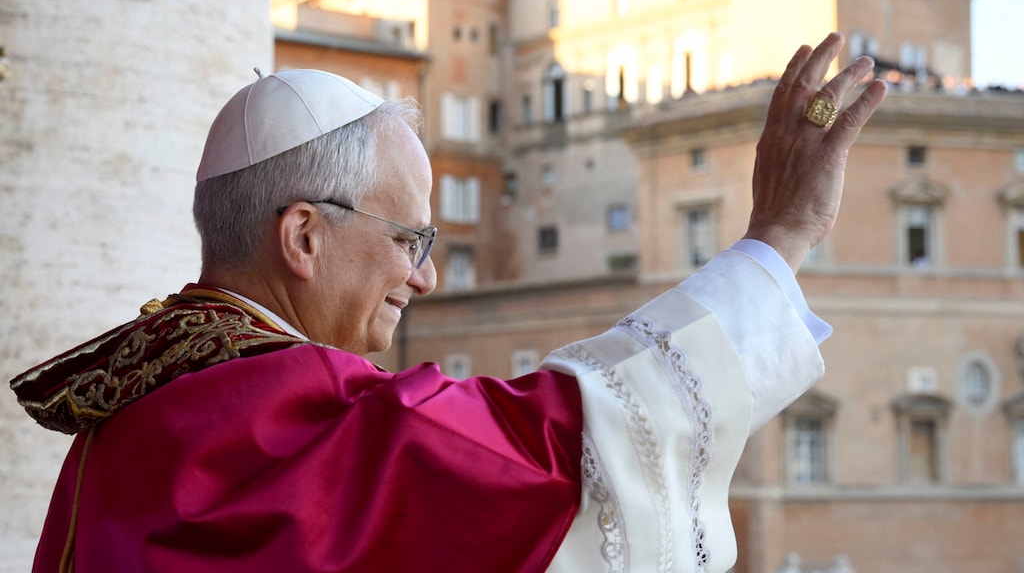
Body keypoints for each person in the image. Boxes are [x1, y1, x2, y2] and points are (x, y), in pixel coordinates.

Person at [10, 32, 886, 572]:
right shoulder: (281, 411)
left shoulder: (129, 414)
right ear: (304, 237)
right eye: (410, 240)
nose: (425, 279)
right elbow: (563, 450)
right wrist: (779, 238)